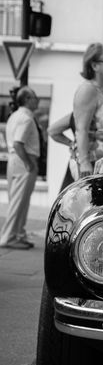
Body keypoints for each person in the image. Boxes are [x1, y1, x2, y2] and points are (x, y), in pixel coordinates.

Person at [0, 87, 40, 250]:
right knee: (18, 201)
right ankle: (8, 237)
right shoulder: (26, 118)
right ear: (27, 99)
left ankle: (18, 234)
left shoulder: (14, 116)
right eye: (34, 97)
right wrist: (29, 163)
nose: (37, 100)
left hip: (15, 160)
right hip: (24, 160)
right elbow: (18, 143)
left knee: (18, 200)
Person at [73, 43, 103, 178]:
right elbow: (81, 129)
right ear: (94, 66)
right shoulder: (88, 90)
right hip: (93, 165)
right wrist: (84, 163)